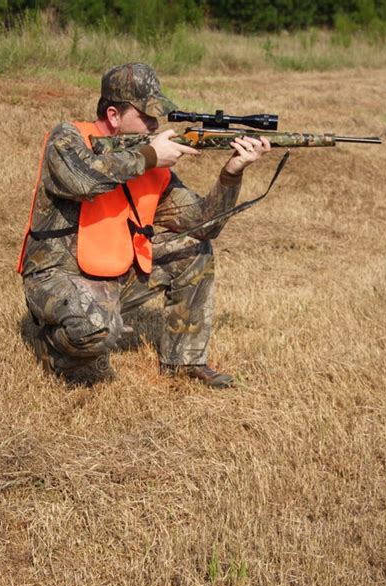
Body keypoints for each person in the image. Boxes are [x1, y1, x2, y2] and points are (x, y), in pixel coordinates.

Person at [18, 63, 271, 387]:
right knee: (96, 329)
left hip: (114, 273)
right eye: (147, 116)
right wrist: (148, 156)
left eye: (157, 116)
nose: (155, 125)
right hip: (58, 274)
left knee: (193, 248)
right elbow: (81, 181)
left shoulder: (151, 163)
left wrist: (232, 173)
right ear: (113, 115)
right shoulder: (68, 138)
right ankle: (49, 347)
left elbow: (203, 223)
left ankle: (184, 361)